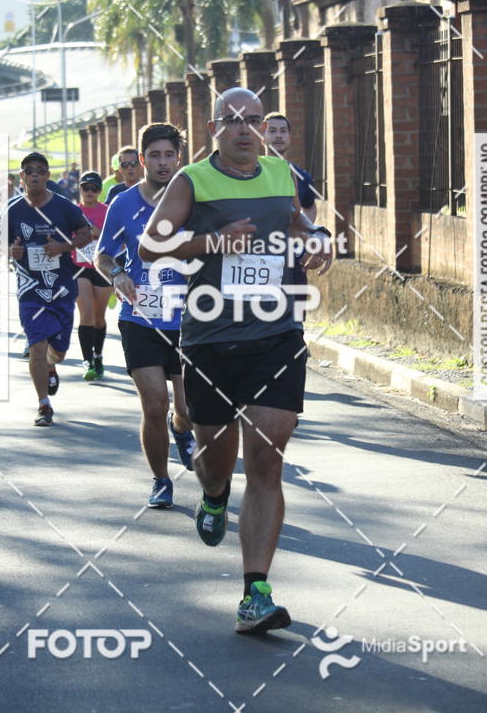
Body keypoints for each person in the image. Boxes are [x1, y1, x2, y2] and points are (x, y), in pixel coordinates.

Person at [139, 88, 332, 634]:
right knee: (215, 461)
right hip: (210, 339)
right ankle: (214, 495)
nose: (245, 129)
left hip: (277, 334)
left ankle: (255, 595)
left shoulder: (280, 172)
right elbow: (151, 246)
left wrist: (317, 235)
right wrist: (212, 241)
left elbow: (292, 220)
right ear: (214, 129)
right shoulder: (191, 181)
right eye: (234, 120)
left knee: (267, 459)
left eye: (253, 120)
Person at [96, 123, 196, 508]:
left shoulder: (194, 199)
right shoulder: (123, 204)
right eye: (154, 155)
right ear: (142, 160)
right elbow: (103, 255)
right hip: (140, 318)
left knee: (187, 410)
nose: (162, 162)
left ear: (179, 158)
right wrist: (117, 275)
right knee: (154, 405)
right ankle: (161, 480)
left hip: (187, 320)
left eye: (169, 154)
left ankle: (181, 429)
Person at [7, 152, 93, 426]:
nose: (34, 175)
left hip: (61, 287)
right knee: (36, 344)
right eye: (28, 171)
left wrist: (64, 247)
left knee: (58, 350)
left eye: (39, 171)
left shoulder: (64, 207)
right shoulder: (12, 210)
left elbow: (87, 232)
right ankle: (44, 404)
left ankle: (51, 364)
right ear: (22, 177)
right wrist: (11, 250)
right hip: (30, 288)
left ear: (47, 176)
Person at [263, 112, 318, 310]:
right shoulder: (250, 173)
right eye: (272, 131)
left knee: (295, 317)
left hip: (293, 260)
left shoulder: (301, 176)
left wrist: (303, 237)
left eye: (283, 131)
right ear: (262, 136)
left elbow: (309, 207)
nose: (278, 135)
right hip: (260, 259)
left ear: (290, 137)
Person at [75, 170, 112, 380]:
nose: (90, 192)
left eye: (94, 188)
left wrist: (98, 233)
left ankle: (98, 356)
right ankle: (87, 361)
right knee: (86, 315)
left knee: (99, 318)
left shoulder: (107, 211)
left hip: (102, 267)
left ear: (99, 191)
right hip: (79, 267)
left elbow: (118, 240)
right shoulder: (73, 211)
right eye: (86, 188)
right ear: (80, 189)